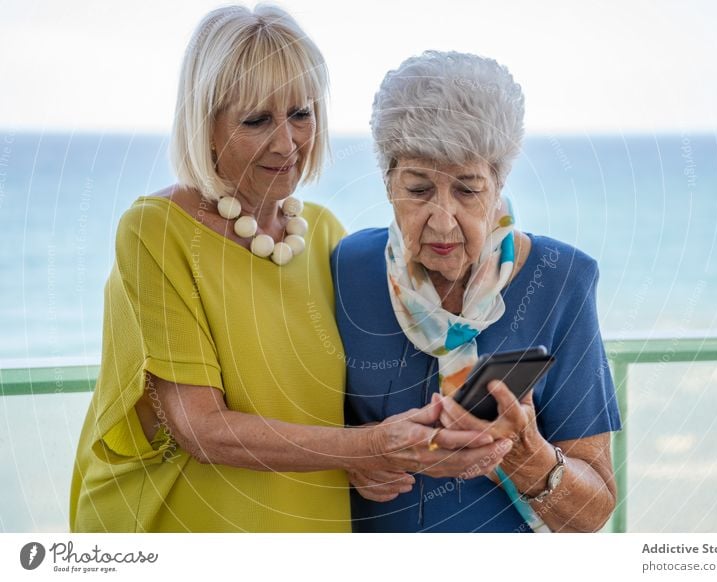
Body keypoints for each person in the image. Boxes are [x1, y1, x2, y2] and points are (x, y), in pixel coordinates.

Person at [70, 9, 510, 533]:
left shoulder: (325, 234)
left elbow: (332, 410)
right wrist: (366, 446)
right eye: (256, 120)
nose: (287, 143)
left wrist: (361, 462)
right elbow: (199, 428)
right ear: (205, 126)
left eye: (300, 114)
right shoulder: (154, 232)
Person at [333, 51, 622, 532]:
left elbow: (592, 515)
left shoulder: (562, 280)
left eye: (468, 190)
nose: (443, 221)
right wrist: (353, 453)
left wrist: (525, 455)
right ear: (388, 184)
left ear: (499, 184)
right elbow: (300, 426)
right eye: (419, 189)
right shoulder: (348, 269)